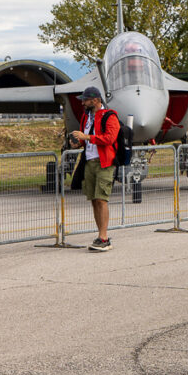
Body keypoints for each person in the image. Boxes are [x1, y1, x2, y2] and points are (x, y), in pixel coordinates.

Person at [70, 86, 121, 251]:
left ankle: (104, 237)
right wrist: (79, 142)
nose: (82, 103)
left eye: (85, 100)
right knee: (93, 199)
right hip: (89, 161)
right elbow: (87, 139)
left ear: (96, 100)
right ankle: (100, 235)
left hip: (104, 162)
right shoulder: (86, 117)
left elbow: (109, 138)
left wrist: (87, 137)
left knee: (101, 199)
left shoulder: (110, 116)